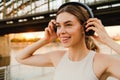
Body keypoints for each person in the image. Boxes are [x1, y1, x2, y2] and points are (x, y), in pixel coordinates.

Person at [16, 2, 120, 80]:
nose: (61, 31)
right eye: (58, 26)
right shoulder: (57, 57)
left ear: (85, 28)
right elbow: (20, 58)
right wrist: (45, 40)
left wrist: (108, 41)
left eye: (68, 25)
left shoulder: (103, 61)